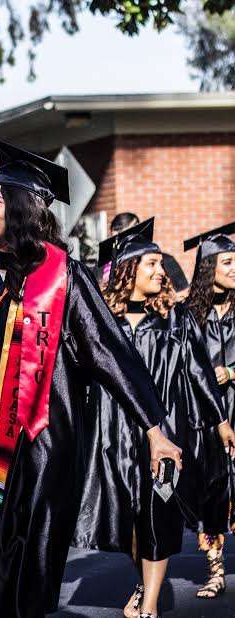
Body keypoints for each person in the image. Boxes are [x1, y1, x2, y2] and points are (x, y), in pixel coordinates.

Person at [0, 140, 183, 617]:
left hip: (39, 445)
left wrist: (153, 429)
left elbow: (110, 350)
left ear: (23, 207)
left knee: (21, 571)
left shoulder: (62, 276)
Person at [73, 218, 235, 618]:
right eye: (151, 265)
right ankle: (143, 581)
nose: (161, 272)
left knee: (156, 517)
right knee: (129, 521)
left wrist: (221, 423)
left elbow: (200, 375)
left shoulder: (175, 321)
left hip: (164, 434)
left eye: (161, 266)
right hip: (113, 436)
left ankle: (149, 606)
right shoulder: (101, 324)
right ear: (127, 270)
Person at [181, 221, 235, 601]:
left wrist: (230, 371)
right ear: (208, 267)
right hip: (206, 419)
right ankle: (216, 571)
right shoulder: (189, 316)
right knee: (211, 495)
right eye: (228, 262)